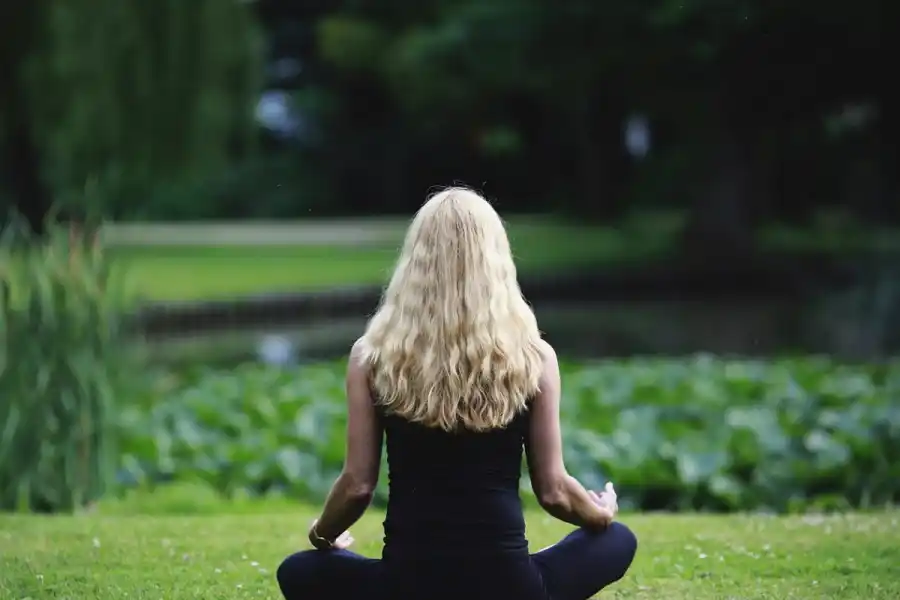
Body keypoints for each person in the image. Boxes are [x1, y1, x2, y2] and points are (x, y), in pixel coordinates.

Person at [276, 187, 638, 600]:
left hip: (405, 589)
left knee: (297, 570)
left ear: (415, 262)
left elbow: (357, 485)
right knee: (617, 539)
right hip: (511, 589)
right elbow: (554, 491)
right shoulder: (534, 357)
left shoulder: (372, 357)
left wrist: (322, 535)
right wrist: (599, 514)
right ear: (495, 260)